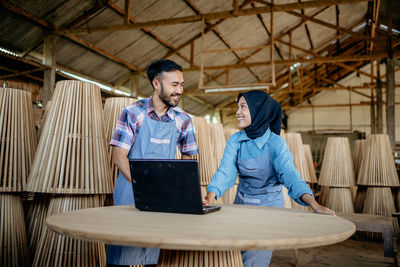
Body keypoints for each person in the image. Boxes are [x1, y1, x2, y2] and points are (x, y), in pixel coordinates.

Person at [203, 90, 335, 267]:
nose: (237, 112)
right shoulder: (235, 140)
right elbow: (225, 171)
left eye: (243, 107)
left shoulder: (275, 143)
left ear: (259, 111)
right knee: (233, 257)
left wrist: (314, 205)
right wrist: (210, 197)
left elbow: (290, 176)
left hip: (269, 209)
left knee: (254, 260)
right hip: (241, 206)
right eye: (237, 107)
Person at [106, 59, 199, 266]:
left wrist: (177, 189)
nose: (180, 90)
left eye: (182, 84)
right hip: (130, 190)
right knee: (122, 247)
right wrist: (145, 187)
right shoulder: (132, 113)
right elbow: (119, 157)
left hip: (163, 195)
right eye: (174, 84)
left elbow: (187, 158)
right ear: (156, 84)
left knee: (152, 248)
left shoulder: (183, 120)